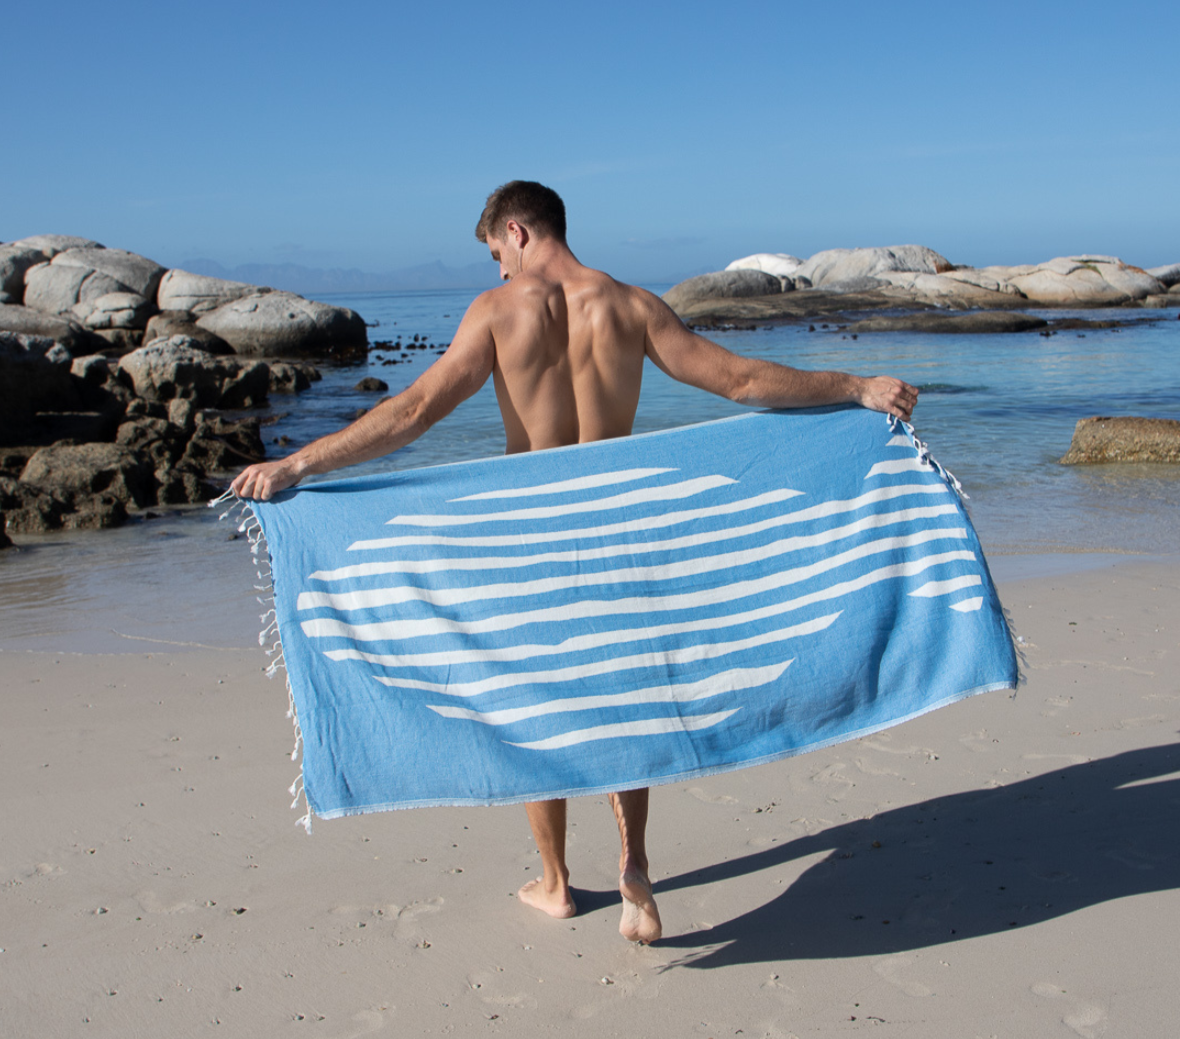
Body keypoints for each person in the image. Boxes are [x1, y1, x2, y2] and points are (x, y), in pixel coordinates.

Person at [231, 180, 918, 944]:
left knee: (536, 704)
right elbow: (741, 380)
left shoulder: (497, 313)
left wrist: (302, 466)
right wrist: (856, 386)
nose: (497, 271)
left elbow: (416, 412)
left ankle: (556, 884)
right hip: (619, 530)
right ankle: (635, 871)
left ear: (518, 231)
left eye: (496, 252)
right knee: (627, 694)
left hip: (531, 535)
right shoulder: (631, 305)